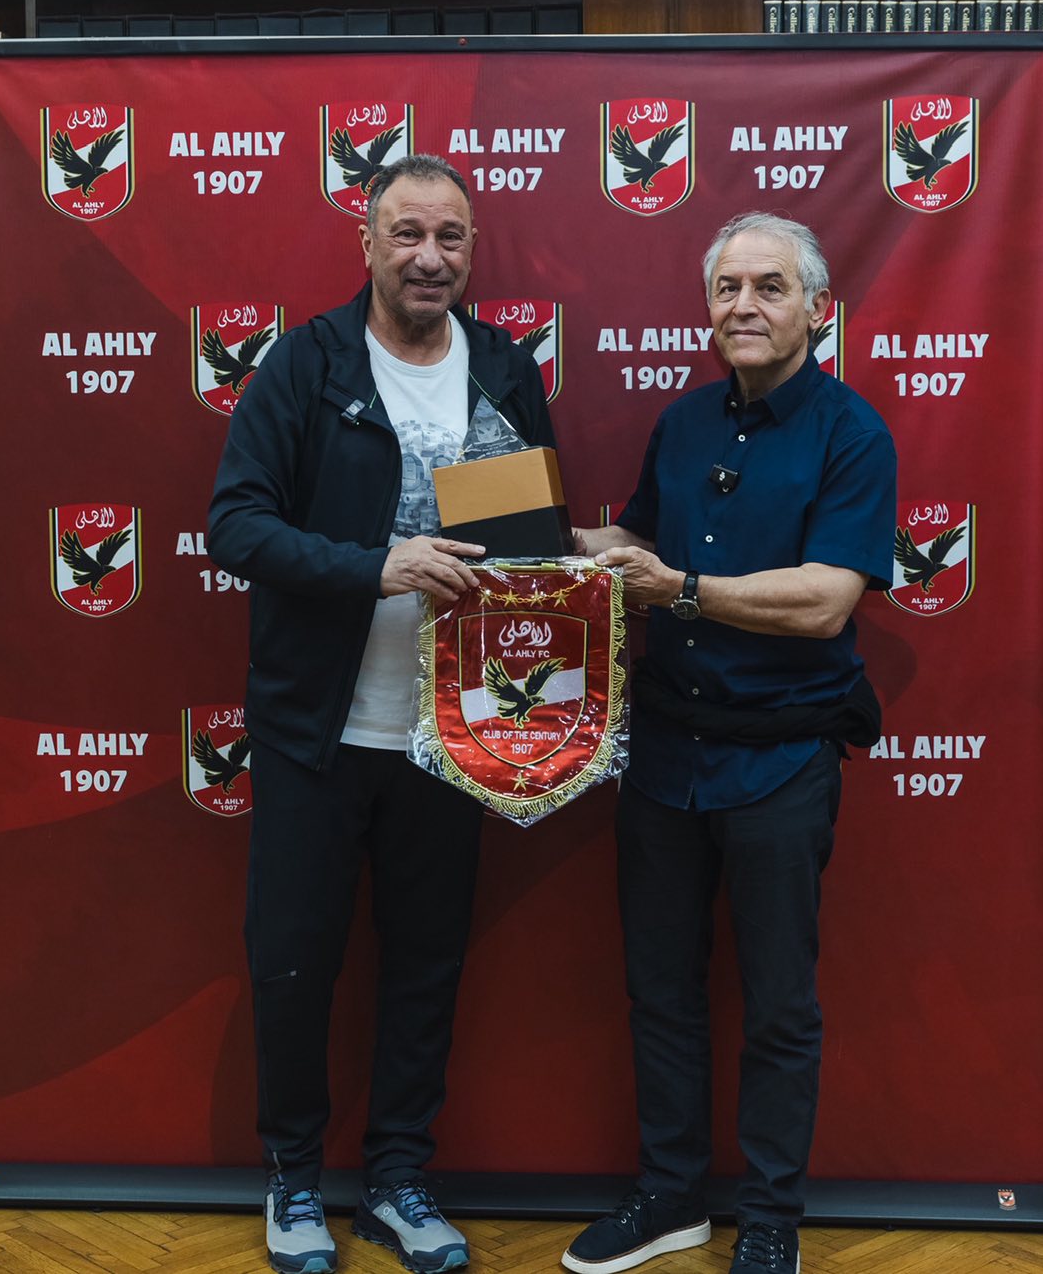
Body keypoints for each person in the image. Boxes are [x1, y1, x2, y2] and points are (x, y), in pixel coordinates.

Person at [208, 153, 557, 1274]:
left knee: (425, 965)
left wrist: (573, 561)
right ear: (366, 243)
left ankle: (400, 1178)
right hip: (317, 731)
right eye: (407, 233)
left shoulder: (502, 368)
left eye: (450, 237)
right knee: (293, 963)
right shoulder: (306, 364)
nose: (428, 257)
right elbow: (236, 525)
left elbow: (523, 539)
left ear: (472, 250)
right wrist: (377, 566)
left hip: (451, 733)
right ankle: (293, 1178)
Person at [560, 213, 898, 1274]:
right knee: (658, 989)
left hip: (782, 759)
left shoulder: (853, 434)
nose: (743, 306)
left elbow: (825, 601)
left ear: (818, 309)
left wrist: (682, 590)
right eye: (726, 289)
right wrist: (536, 546)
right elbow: (637, 542)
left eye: (768, 287)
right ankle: (669, 1198)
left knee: (778, 1004)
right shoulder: (683, 422)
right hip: (665, 754)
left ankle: (770, 1220)